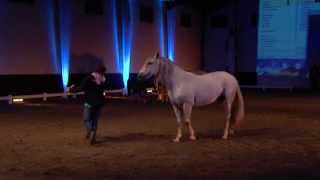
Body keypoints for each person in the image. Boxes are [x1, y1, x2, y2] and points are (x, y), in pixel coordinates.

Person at [66, 64, 107, 145]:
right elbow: (103, 92)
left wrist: (71, 90)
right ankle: (93, 135)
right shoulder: (103, 79)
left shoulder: (89, 77)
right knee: (95, 120)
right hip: (99, 103)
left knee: (86, 119)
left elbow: (80, 88)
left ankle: (90, 130)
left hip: (89, 102)